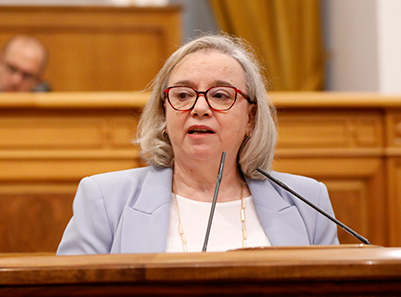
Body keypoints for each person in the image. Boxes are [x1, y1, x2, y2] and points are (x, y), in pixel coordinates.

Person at [57, 33, 339, 254]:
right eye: (182, 95)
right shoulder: (106, 200)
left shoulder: (308, 202)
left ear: (251, 117)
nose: (200, 108)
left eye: (220, 95)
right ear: (164, 113)